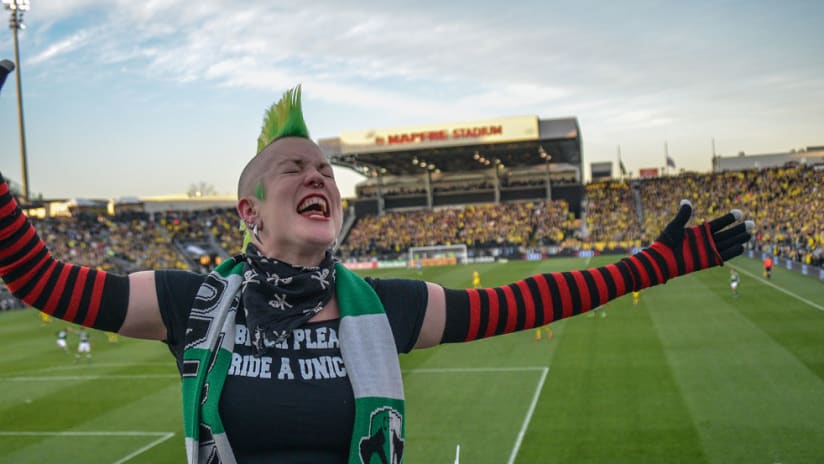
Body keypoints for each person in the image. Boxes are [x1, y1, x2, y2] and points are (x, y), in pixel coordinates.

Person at [0, 85, 754, 463]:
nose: (316, 173)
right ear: (249, 211)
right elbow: (40, 278)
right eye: (291, 167)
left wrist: (653, 265)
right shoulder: (193, 301)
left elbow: (530, 302)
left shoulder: (383, 309)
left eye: (324, 167)